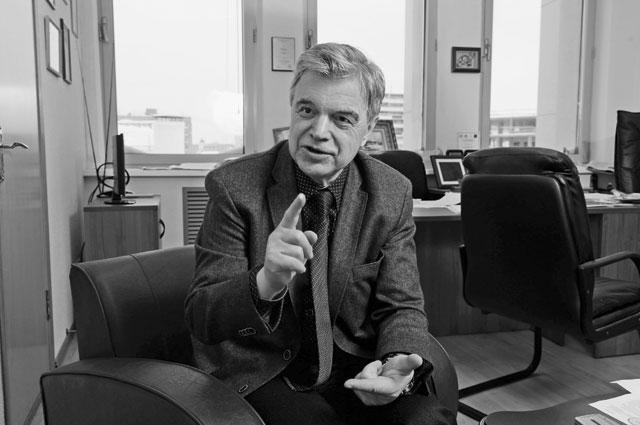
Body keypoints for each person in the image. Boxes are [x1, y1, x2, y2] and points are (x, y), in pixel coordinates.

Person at [185, 42, 455, 425]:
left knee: (428, 419)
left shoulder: (391, 192)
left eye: (342, 119)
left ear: (368, 129)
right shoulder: (234, 187)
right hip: (265, 369)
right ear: (292, 110)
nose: (318, 132)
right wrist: (266, 281)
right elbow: (202, 316)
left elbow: (401, 305)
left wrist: (395, 361)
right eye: (307, 110)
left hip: (356, 365)